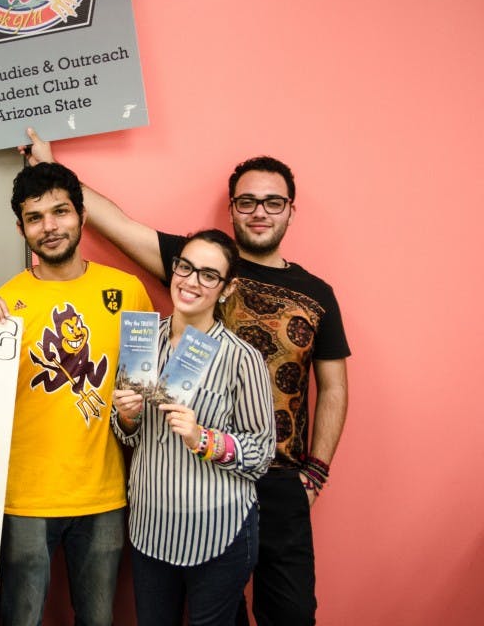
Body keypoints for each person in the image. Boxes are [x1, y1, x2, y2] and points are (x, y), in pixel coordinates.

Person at [22, 130, 350, 626]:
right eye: (247, 201)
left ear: (289, 210)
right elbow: (117, 224)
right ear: (233, 208)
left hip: (278, 480)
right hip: (167, 504)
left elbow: (334, 387)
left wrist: (315, 473)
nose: (259, 211)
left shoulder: (315, 293)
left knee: (289, 613)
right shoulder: (173, 288)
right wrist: (52, 167)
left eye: (272, 202)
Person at [0, 162, 153, 626]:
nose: (49, 227)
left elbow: (142, 395)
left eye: (60, 212)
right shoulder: (3, 306)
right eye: (35, 218)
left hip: (105, 493)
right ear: (21, 228)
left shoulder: (128, 292)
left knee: (98, 619)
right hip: (24, 496)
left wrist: (132, 415)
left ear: (82, 215)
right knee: (21, 618)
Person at [112, 229, 275, 625]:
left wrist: (203, 438)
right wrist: (127, 416)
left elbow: (262, 453)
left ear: (226, 288)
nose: (191, 281)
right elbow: (128, 435)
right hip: (151, 529)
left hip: (218, 532)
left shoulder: (243, 359)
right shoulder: (141, 342)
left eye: (208, 274)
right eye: (185, 267)